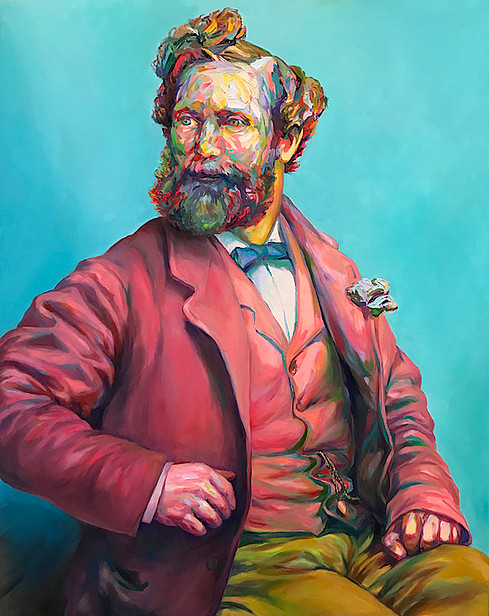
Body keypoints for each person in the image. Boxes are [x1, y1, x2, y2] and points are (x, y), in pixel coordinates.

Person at [0, 8, 487, 616]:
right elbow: (12, 402)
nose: (203, 149)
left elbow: (397, 397)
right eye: (187, 121)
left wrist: (423, 492)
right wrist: (148, 484)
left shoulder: (332, 269)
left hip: (367, 543)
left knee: (475, 590)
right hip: (226, 564)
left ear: (286, 141)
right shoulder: (120, 279)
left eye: (231, 122)